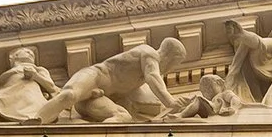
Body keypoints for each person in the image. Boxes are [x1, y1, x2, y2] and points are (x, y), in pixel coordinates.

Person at [35, 37, 186, 123]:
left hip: (95, 100)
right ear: (170, 56)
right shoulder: (149, 53)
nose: (171, 67)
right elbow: (153, 77)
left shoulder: (139, 83)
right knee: (69, 95)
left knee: (124, 117)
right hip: (94, 78)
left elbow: (139, 105)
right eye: (175, 62)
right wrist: (170, 102)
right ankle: (36, 122)